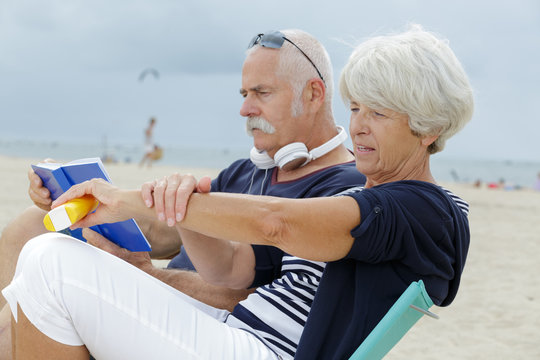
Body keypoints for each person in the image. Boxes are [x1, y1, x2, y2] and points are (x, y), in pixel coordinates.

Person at [4, 24, 473, 359]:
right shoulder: (375, 198)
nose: (359, 127)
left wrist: (126, 202)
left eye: (380, 114)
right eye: (356, 108)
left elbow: (277, 222)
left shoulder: (420, 207)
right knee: (46, 254)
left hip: (265, 349)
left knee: (51, 263)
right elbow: (233, 268)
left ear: (427, 128)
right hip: (233, 333)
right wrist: (180, 202)